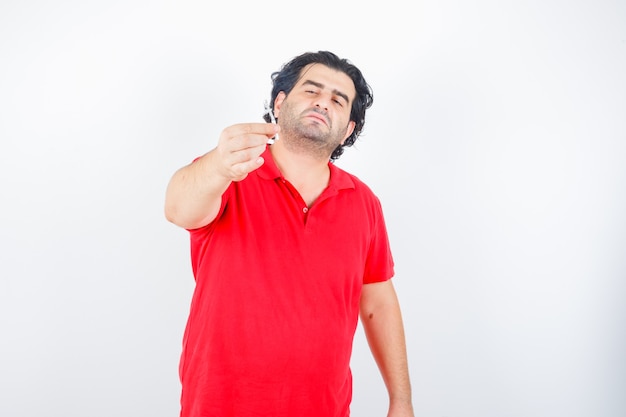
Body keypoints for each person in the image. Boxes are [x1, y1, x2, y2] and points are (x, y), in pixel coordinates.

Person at [164, 50, 414, 417]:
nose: (322, 102)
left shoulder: (364, 203)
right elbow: (178, 209)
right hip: (219, 406)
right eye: (311, 90)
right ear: (279, 104)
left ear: (348, 129)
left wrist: (401, 400)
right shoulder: (231, 170)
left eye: (337, 99)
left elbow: (377, 301)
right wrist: (218, 164)